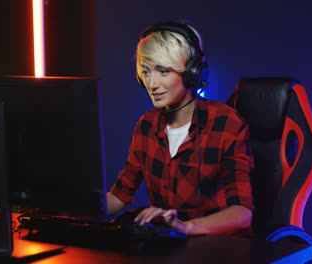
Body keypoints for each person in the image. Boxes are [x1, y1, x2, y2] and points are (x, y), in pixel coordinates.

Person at [107, 21, 254, 236]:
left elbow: (242, 213)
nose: (152, 83)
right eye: (146, 72)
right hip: (170, 247)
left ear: (192, 73)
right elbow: (119, 197)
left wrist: (187, 227)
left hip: (222, 248)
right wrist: (65, 208)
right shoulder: (146, 125)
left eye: (163, 71)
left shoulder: (227, 123)